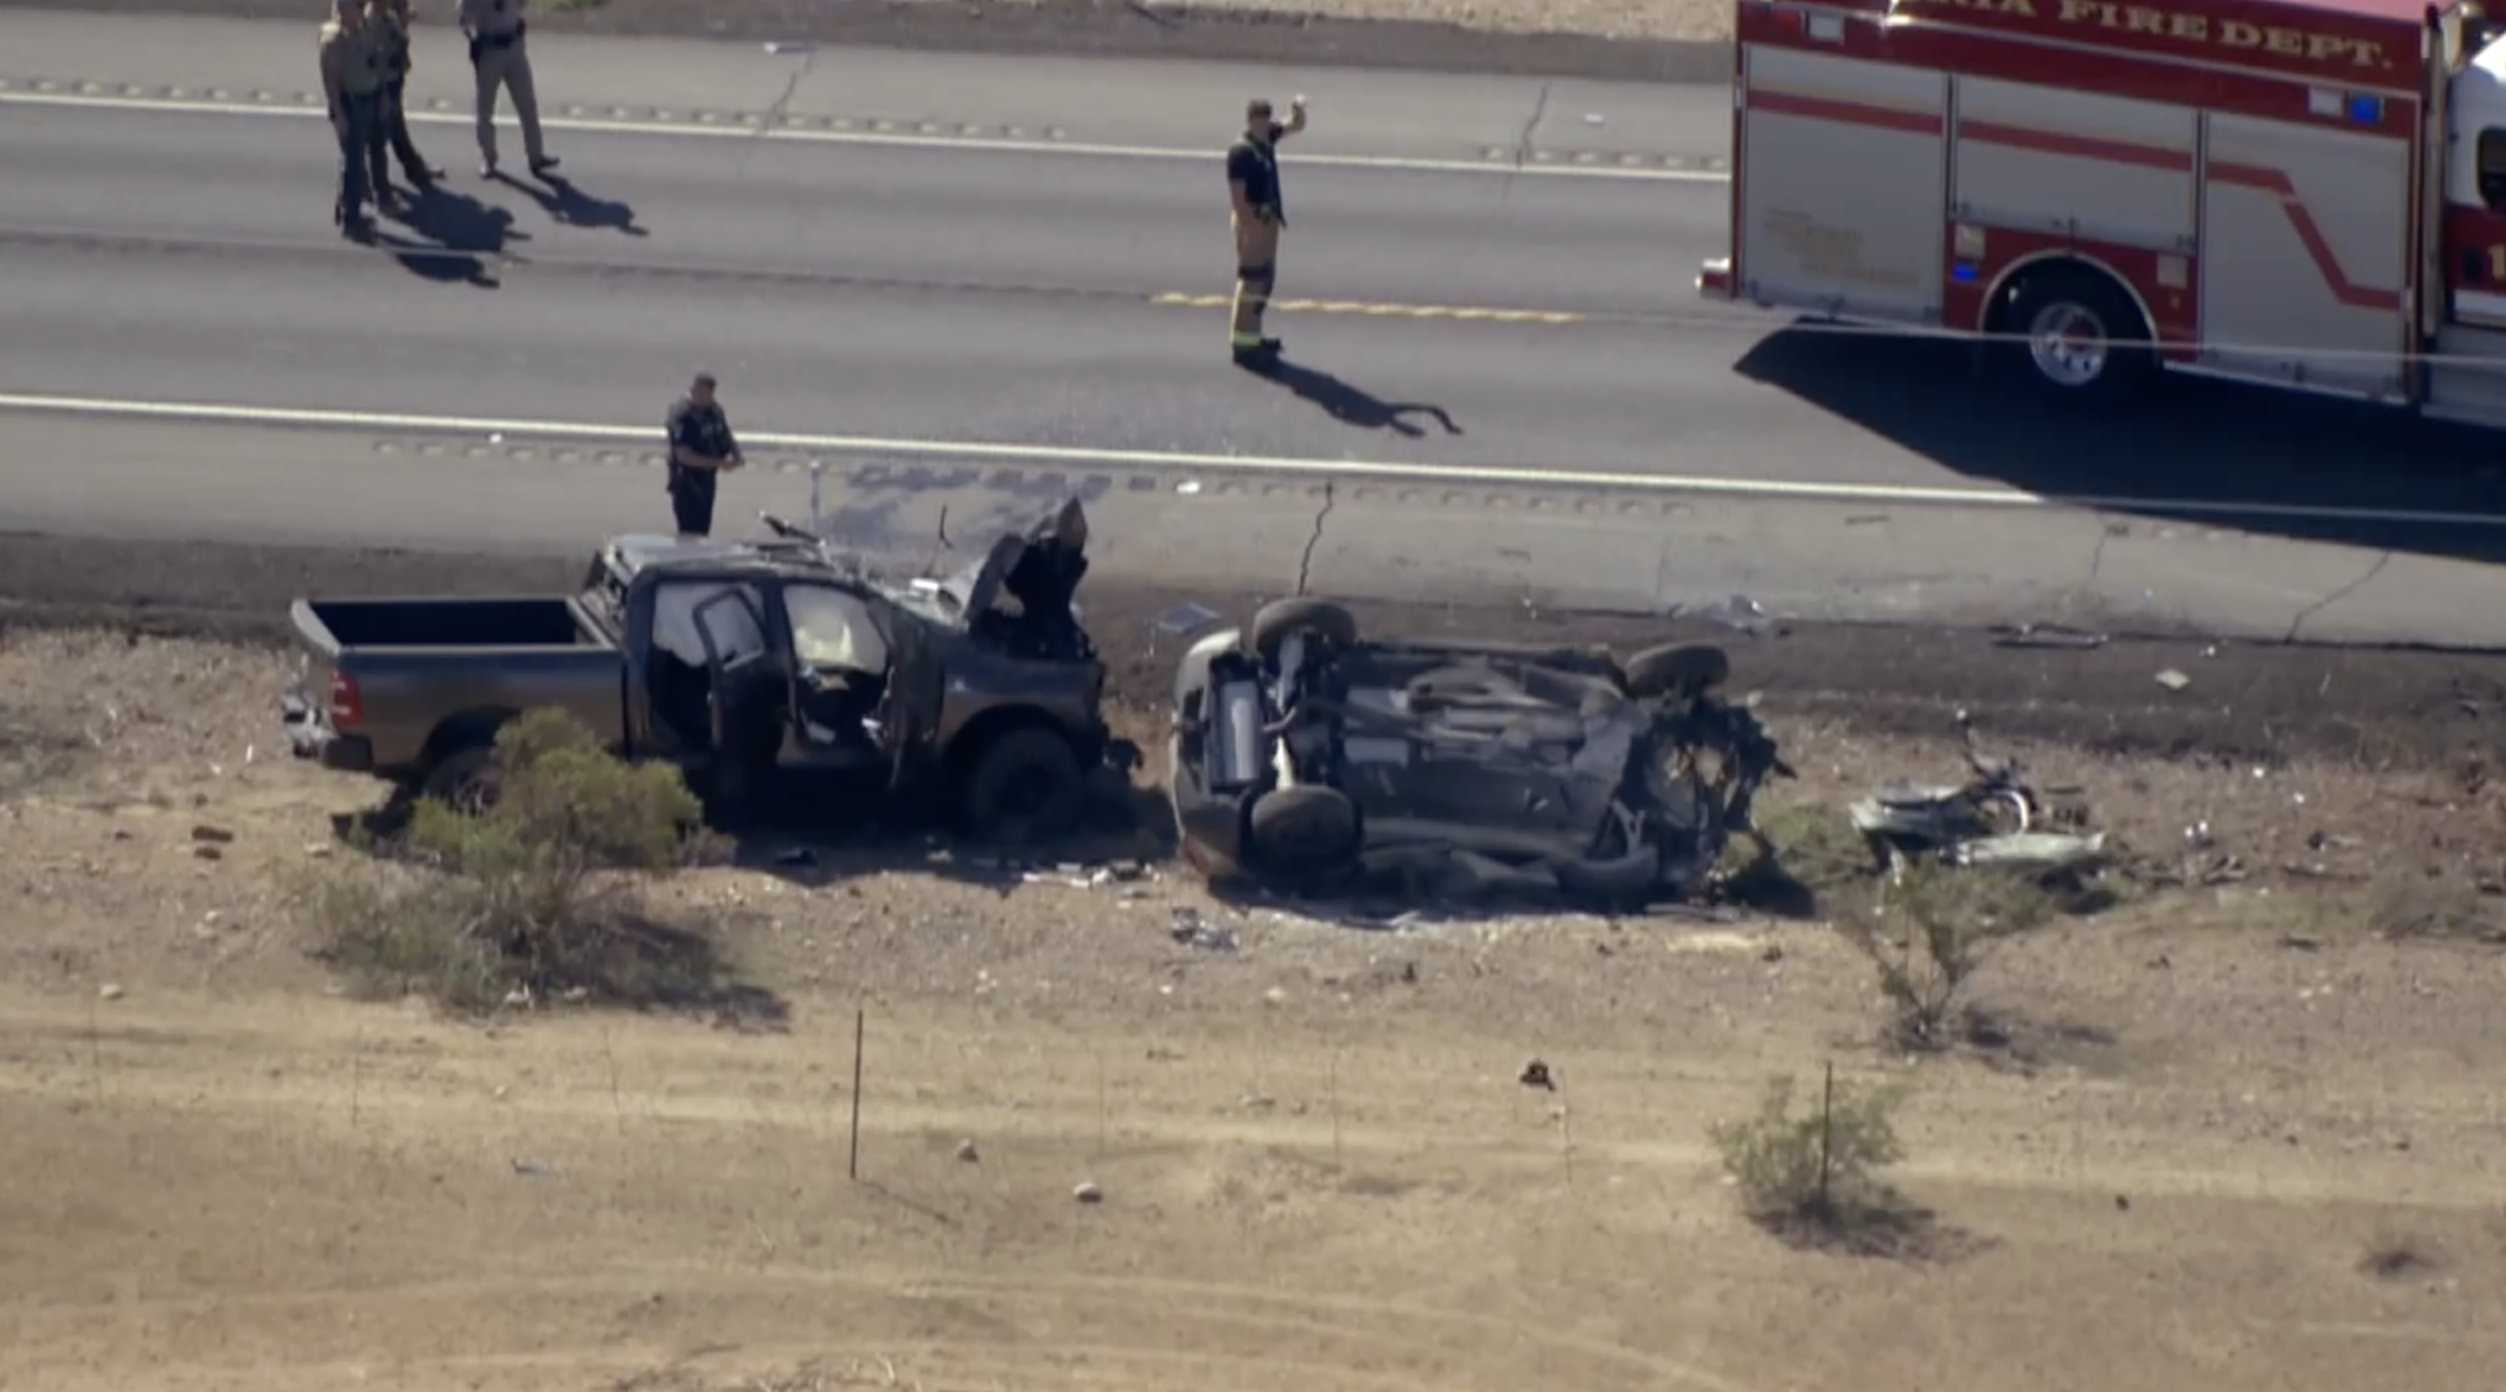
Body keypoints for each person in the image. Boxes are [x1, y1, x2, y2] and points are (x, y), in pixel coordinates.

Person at [1225, 94, 1307, 365]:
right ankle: (1242, 344)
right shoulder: (1241, 152)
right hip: (1252, 223)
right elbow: (1238, 199)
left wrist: (1297, 109)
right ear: (1249, 121)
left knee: (1264, 280)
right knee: (1251, 279)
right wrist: (1250, 230)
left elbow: (1295, 125)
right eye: (1258, 121)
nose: (1263, 126)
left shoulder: (1267, 138)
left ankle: (1254, 336)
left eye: (1266, 120)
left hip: (1267, 221)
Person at [458, 0, 558, 179]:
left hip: (514, 46)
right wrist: (472, 38)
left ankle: (536, 155)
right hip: (490, 49)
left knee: (527, 104)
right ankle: (488, 157)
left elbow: (522, 4)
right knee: (485, 107)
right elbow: (463, 14)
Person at [317, 0, 386, 237]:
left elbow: (373, 61)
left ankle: (347, 205)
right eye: (356, 5)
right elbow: (331, 80)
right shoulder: (335, 39)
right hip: (350, 103)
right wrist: (339, 114)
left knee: (355, 160)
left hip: (368, 99)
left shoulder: (363, 29)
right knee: (353, 163)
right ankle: (351, 218)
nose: (360, 8)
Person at [365, 0, 441, 205]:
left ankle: (412, 170)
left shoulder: (389, 17)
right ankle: (379, 186)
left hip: (394, 80)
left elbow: (400, 39)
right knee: (381, 138)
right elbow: (374, 60)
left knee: (396, 130)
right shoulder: (370, 23)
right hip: (382, 85)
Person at [665, 372, 744, 541]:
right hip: (686, 482)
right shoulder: (682, 415)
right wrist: (719, 463)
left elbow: (725, 433)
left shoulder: (714, 411)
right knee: (689, 532)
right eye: (700, 393)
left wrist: (736, 454)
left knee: (703, 529)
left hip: (707, 481)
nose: (704, 398)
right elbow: (684, 456)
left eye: (708, 394)